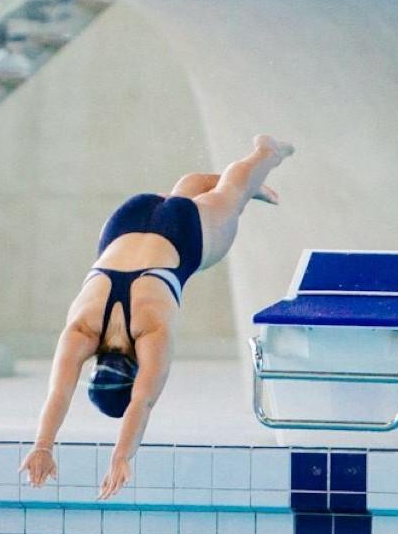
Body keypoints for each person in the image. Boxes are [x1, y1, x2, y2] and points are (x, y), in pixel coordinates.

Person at [25, 136, 293, 500]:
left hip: (183, 237)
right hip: (125, 222)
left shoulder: (151, 330)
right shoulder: (81, 329)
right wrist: (42, 446)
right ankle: (215, 186)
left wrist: (123, 456)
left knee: (232, 193)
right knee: (192, 190)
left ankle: (266, 154)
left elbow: (142, 402)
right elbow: (59, 392)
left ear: (133, 372)